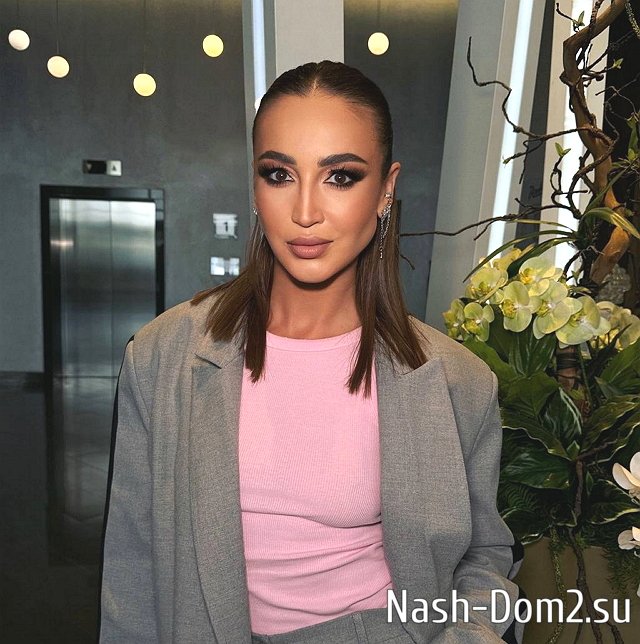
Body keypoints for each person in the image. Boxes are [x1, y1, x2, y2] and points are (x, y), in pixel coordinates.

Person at [99, 60, 524, 643]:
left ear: (387, 189)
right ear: (255, 185)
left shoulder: (457, 381)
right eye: (279, 174)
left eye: (340, 177)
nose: (305, 212)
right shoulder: (161, 356)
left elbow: (484, 555)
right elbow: (131, 565)